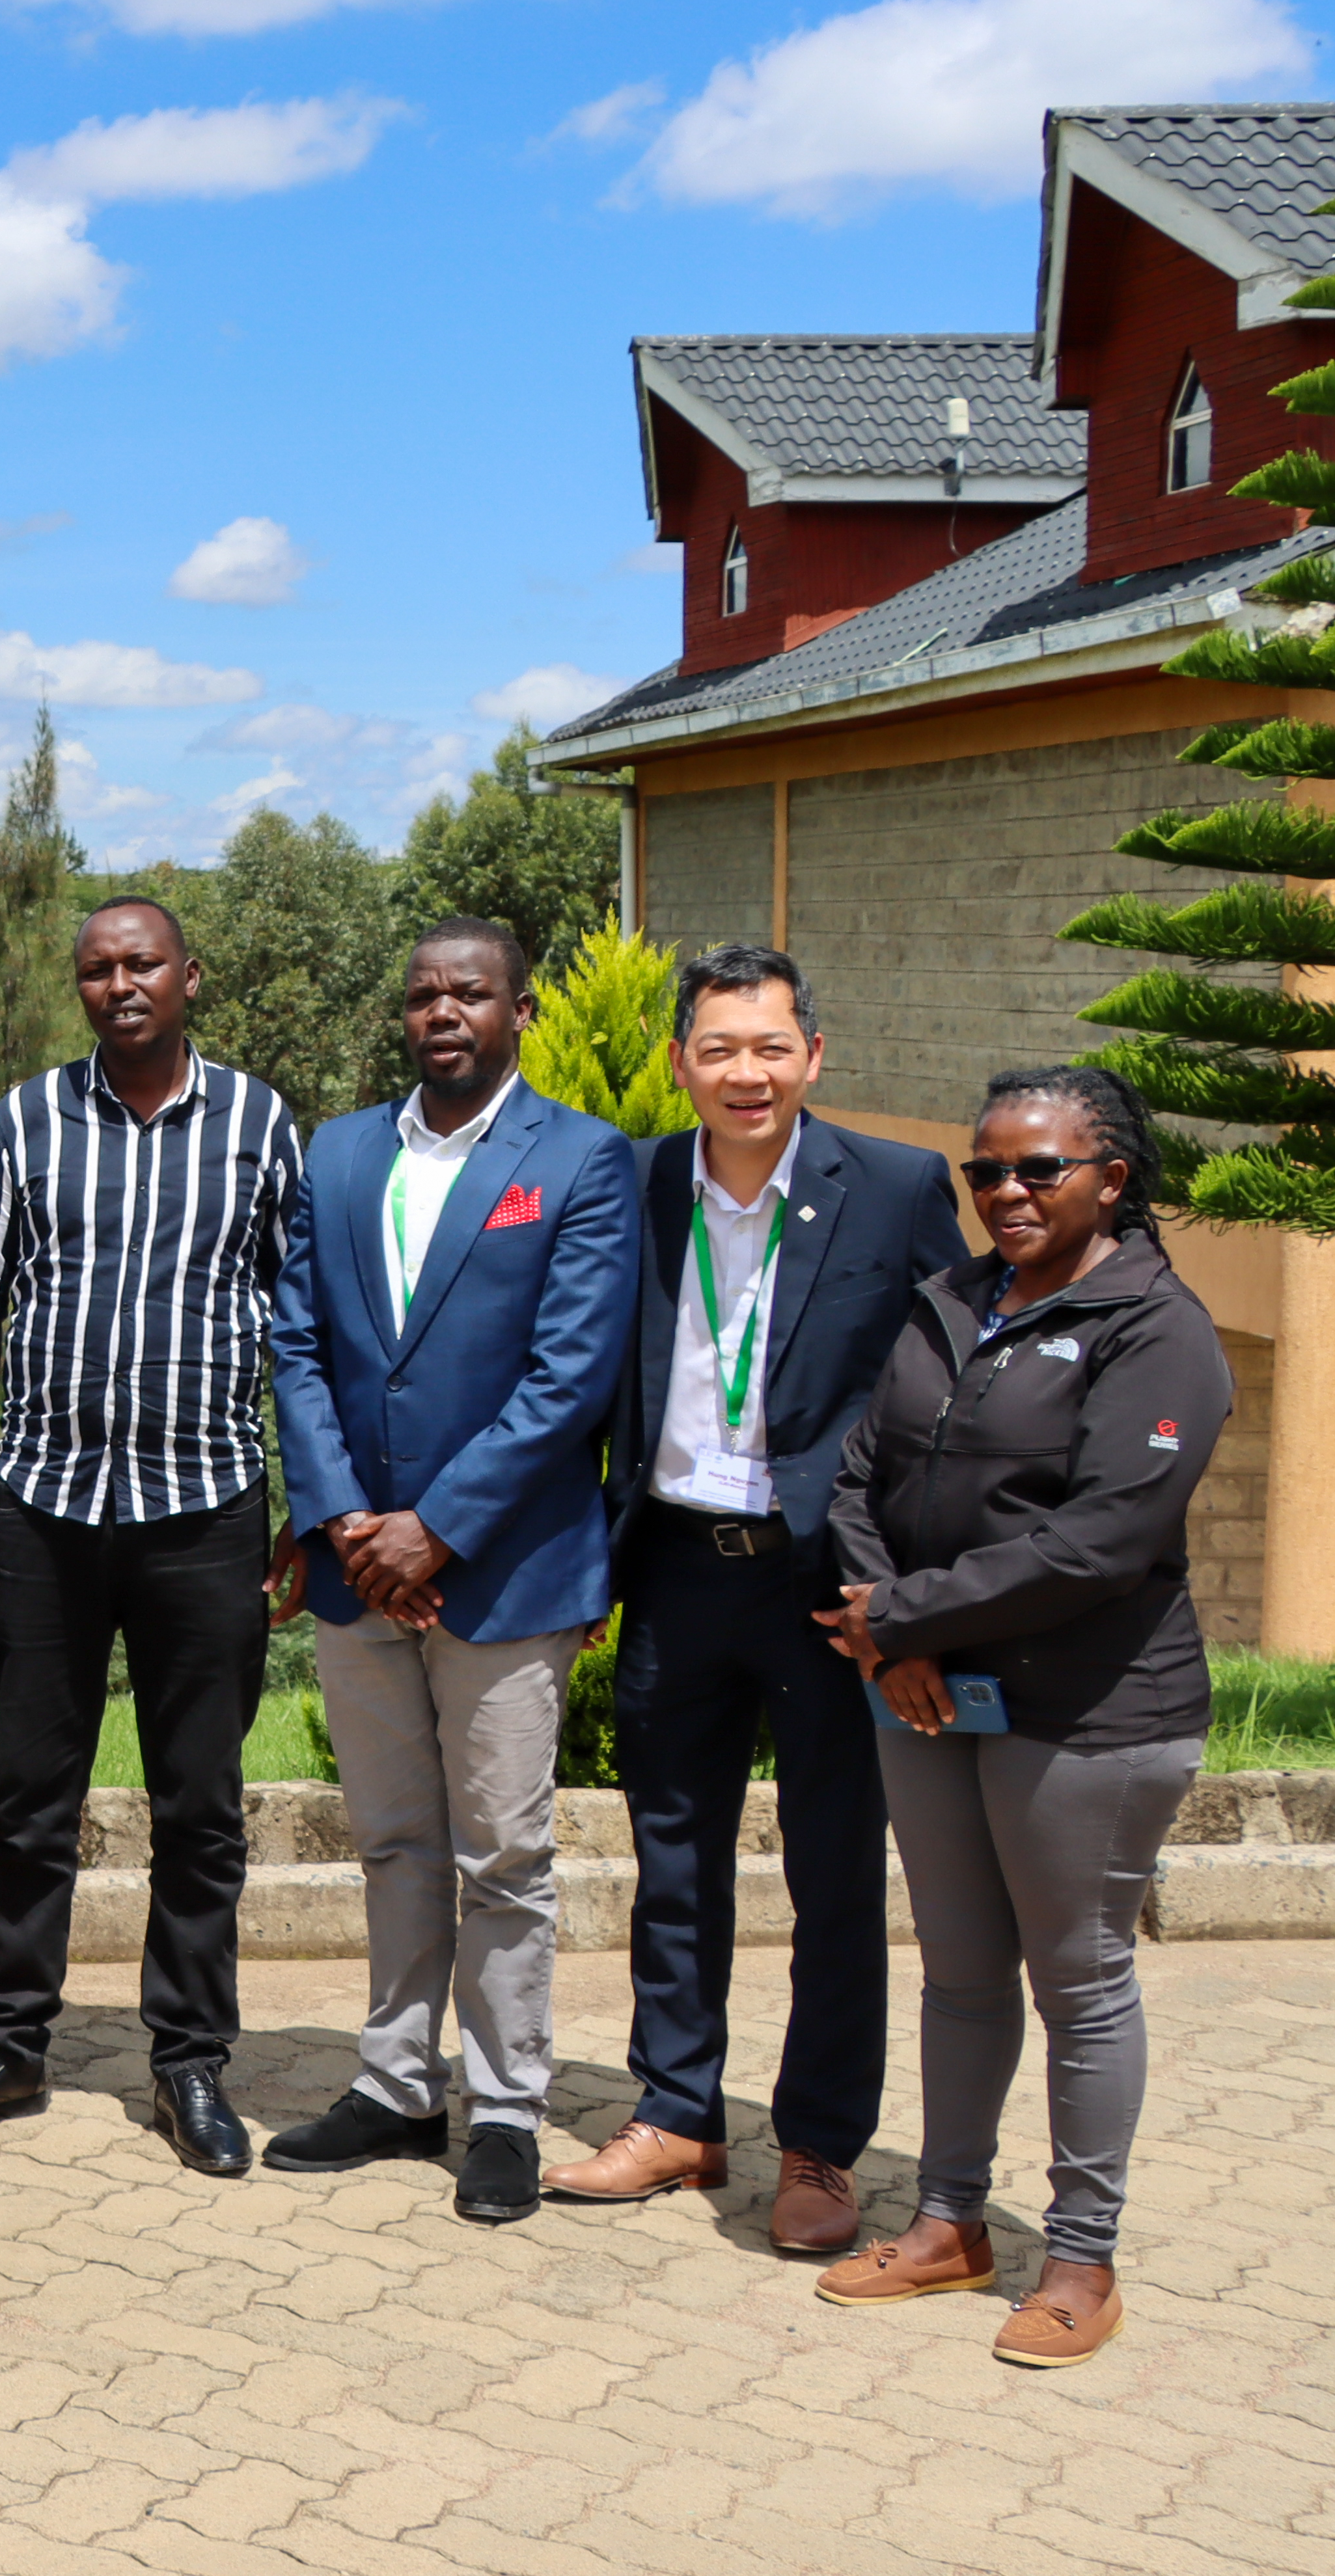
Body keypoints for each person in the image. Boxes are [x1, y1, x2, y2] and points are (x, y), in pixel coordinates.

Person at [812, 1065, 1231, 2368]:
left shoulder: (1158, 1328)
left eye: (1039, 1168)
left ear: (1113, 1176)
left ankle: (1083, 2259)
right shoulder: (951, 1299)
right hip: (929, 1694)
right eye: (984, 1170)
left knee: (1081, 1980)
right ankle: (948, 2222)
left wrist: (908, 1619)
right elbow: (859, 1472)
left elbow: (1102, 1539)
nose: (1005, 1191)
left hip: (1089, 1708)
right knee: (959, 1969)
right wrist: (893, 1644)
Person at [547, 945, 964, 2247]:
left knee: (836, 1872)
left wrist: (904, 1590)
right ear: (683, 1062)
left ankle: (822, 2146)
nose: (745, 1071)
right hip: (674, 1564)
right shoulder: (636, 1180)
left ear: (813, 1056)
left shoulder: (893, 1189)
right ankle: (677, 2110)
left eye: (769, 1046)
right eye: (719, 1048)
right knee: (672, 1861)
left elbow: (948, 1393)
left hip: (823, 1585)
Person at [0, 899, 302, 2176]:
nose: (122, 982)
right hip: (47, 1508)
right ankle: (10, 2035)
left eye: (143, 963)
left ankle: (189, 2058)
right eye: (99, 968)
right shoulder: (29, 1121)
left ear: (190, 975)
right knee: (31, 1797)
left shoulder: (258, 1124)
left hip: (205, 1508)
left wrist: (312, 1505)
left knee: (202, 1805)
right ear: (81, 987)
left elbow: (296, 1320)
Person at [266, 918, 641, 2226]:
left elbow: (571, 1373)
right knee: (395, 1842)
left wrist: (441, 1530)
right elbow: (297, 1342)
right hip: (360, 1560)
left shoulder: (584, 1160)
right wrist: (354, 1524)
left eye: (469, 993)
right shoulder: (342, 1150)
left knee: (505, 1852)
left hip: (506, 1568)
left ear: (518, 1012)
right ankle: (393, 2083)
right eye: (423, 992)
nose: (443, 1011)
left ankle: (505, 2107)